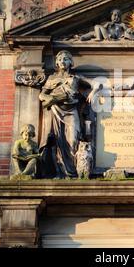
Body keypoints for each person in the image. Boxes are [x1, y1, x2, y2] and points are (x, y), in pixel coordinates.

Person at [39, 50, 99, 178]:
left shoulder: (76, 78)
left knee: (73, 140)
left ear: (71, 62)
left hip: (71, 112)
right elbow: (41, 94)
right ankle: (62, 172)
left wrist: (92, 92)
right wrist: (48, 98)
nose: (62, 62)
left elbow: (96, 84)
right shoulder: (51, 78)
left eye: (65, 59)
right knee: (58, 140)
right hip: (56, 110)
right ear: (56, 62)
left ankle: (73, 171)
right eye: (60, 59)